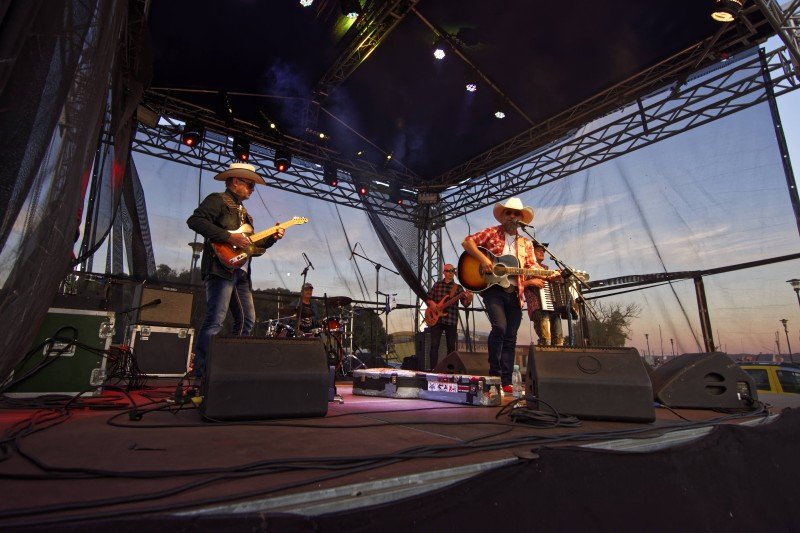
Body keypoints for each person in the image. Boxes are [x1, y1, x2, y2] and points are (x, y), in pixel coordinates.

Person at [186, 162, 284, 377]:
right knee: (215, 320)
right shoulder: (217, 200)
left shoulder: (245, 214)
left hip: (241, 272)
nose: (251, 189)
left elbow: (251, 246)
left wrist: (272, 238)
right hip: (221, 268)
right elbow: (194, 221)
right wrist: (228, 236)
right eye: (249, 185)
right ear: (235, 181)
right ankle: (202, 372)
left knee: (247, 320)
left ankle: (230, 366)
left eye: (253, 186)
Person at [462, 197, 540, 393]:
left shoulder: (526, 244)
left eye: (516, 213)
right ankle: (493, 374)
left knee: (511, 337)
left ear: (521, 218)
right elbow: (467, 242)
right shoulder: (492, 232)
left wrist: (549, 274)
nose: (512, 216)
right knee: (500, 327)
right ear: (503, 216)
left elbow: (532, 267)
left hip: (515, 292)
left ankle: (506, 381)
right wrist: (483, 260)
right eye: (509, 212)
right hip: (493, 289)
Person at [425, 263, 472, 370]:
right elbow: (428, 299)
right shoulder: (437, 285)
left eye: (452, 271)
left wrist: (469, 298)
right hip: (436, 320)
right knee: (434, 345)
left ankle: (450, 371)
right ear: (444, 272)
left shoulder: (458, 288)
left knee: (451, 347)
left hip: (451, 320)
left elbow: (465, 304)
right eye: (448, 271)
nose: (450, 273)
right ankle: (433, 369)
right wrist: (433, 304)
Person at [523, 242, 564, 346]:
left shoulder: (546, 268)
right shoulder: (525, 266)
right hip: (537, 306)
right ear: (531, 252)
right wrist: (531, 282)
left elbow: (555, 285)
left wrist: (559, 277)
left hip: (552, 306)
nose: (542, 252)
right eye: (539, 250)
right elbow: (517, 285)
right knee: (546, 340)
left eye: (543, 250)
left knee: (559, 340)